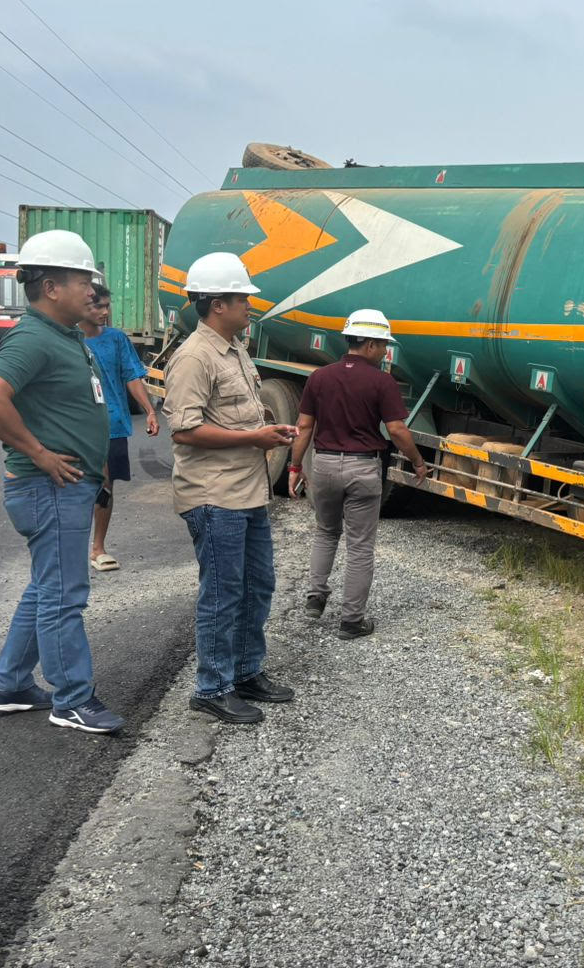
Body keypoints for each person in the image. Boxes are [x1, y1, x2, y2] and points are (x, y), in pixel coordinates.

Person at [0, 230, 123, 735]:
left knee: (44, 589)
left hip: (64, 487)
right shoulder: (33, 336)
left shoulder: (66, 336)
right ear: (52, 287)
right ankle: (72, 699)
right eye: (84, 280)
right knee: (63, 595)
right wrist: (38, 453)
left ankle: (9, 685)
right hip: (47, 487)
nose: (92, 292)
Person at [163, 252, 298, 725]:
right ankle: (211, 687)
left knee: (258, 585)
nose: (250, 307)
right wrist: (252, 439)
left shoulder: (236, 349)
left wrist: (269, 430)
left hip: (247, 492)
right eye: (243, 299)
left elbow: (238, 414)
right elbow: (184, 431)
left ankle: (244, 672)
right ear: (217, 304)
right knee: (223, 593)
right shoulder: (195, 357)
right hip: (213, 495)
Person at [289, 309, 427, 640]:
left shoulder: (319, 377)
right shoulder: (382, 382)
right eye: (382, 345)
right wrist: (418, 462)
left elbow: (304, 426)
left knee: (325, 531)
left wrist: (295, 466)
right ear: (368, 344)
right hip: (362, 467)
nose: (384, 352)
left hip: (323, 464)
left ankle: (315, 598)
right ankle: (351, 621)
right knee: (360, 546)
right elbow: (396, 429)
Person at [80, 283, 160, 571]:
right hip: (79, 427)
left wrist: (150, 410)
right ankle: (74, 546)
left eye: (106, 306)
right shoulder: (70, 340)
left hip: (113, 424)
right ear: (81, 306)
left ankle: (98, 547)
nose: (104, 312)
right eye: (97, 306)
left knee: (105, 487)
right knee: (81, 485)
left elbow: (131, 376)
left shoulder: (116, 339)